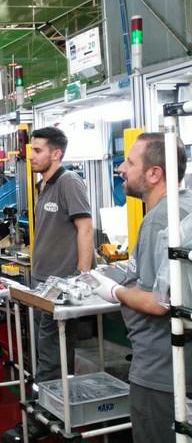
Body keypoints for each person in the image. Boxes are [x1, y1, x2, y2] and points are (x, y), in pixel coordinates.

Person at [92, 133, 192, 443]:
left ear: (154, 173)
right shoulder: (185, 205)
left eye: (130, 162)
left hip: (160, 369)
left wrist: (113, 291)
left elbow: (158, 302)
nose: (120, 168)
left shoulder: (159, 219)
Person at [7, 126, 94, 441]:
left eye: (38, 150)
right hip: (41, 281)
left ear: (56, 153)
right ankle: (50, 410)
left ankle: (45, 419)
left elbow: (85, 228)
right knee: (46, 351)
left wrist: (81, 277)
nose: (30, 156)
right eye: (31, 150)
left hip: (59, 283)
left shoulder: (68, 182)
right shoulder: (44, 184)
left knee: (50, 353)